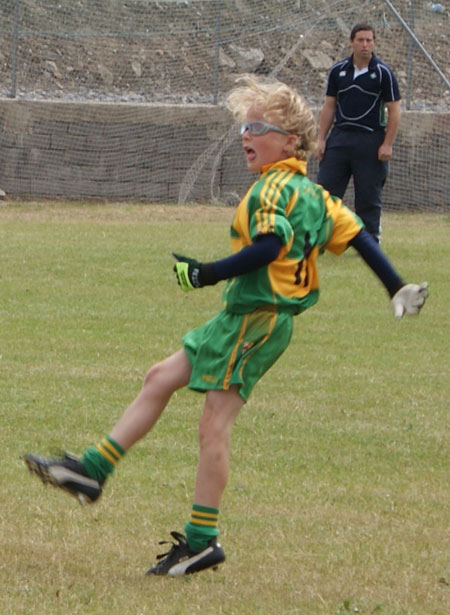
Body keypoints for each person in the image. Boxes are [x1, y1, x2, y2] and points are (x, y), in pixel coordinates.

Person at [24, 74, 427, 578]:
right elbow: (360, 235)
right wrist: (396, 286)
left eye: (257, 126)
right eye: (244, 126)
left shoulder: (272, 191)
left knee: (213, 425)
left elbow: (270, 246)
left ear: (291, 142)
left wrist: (204, 273)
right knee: (160, 377)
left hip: (257, 319)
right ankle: (93, 470)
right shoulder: (315, 193)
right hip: (244, 317)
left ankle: (201, 539)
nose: (245, 135)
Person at [316, 23, 401, 243]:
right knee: (325, 191)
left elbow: (394, 109)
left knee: (368, 195)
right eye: (361, 40)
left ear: (374, 43)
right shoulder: (338, 70)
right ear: (351, 42)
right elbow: (329, 106)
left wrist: (387, 143)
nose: (365, 45)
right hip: (341, 137)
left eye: (369, 40)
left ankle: (370, 239)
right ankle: (319, 236)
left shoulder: (383, 73)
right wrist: (321, 139)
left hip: (370, 139)